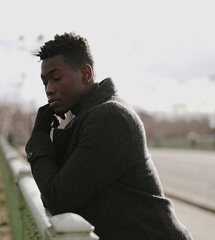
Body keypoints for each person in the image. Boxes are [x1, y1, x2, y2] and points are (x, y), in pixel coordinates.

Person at [26, 32, 192, 240]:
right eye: (45, 82)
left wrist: (39, 137)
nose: (49, 89)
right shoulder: (87, 117)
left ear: (86, 74)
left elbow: (58, 199)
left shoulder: (110, 117)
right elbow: (57, 186)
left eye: (56, 78)